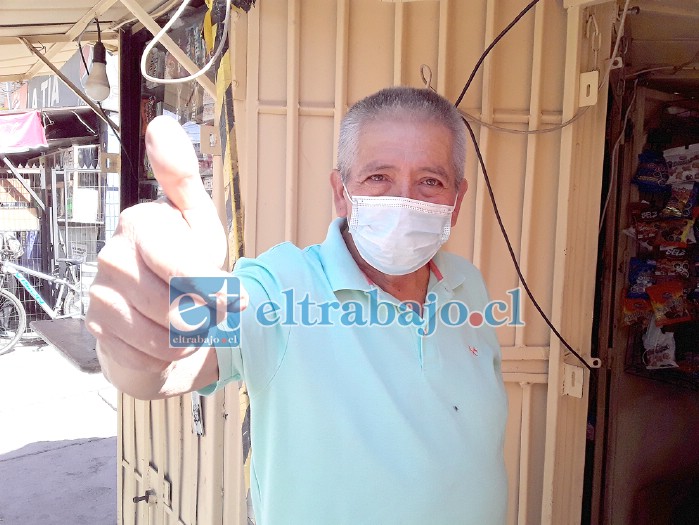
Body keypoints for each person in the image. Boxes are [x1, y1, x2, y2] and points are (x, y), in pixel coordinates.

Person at [86, 87, 508, 524]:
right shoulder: (282, 287)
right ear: (341, 192)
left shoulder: (467, 286)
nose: (402, 200)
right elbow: (168, 362)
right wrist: (141, 326)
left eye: (430, 182)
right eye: (378, 177)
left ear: (456, 203)